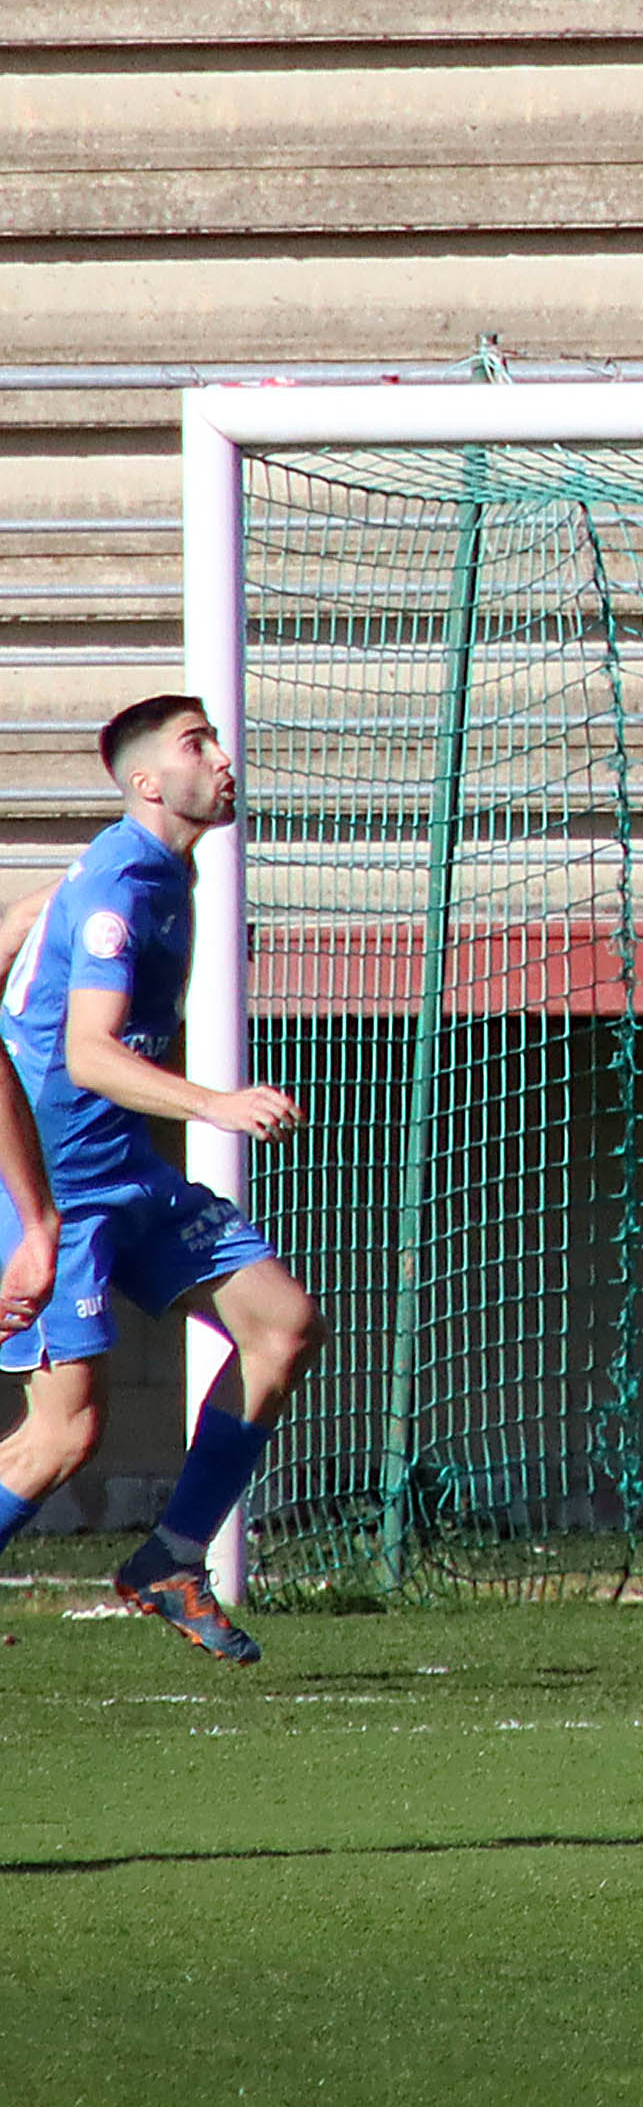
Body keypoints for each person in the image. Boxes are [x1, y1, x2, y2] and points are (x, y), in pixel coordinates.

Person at [0, 695, 325, 1664]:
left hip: (123, 1169)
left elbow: (32, 915)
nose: (224, 758)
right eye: (198, 745)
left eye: (216, 739)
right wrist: (215, 1104)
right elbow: (92, 1055)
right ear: (149, 782)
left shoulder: (139, 873)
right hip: (53, 1187)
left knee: (281, 1324)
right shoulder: (126, 882)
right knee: (63, 1439)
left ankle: (172, 1560)